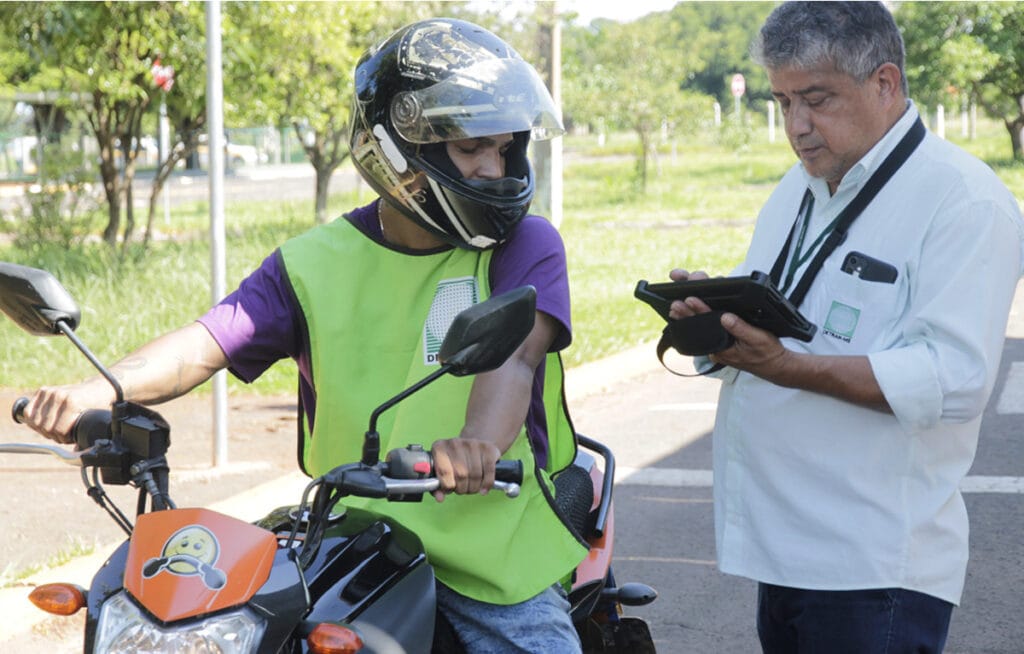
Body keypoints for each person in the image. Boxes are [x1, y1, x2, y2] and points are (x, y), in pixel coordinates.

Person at [20, 18, 587, 653]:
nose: (494, 169)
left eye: (504, 149)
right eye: (470, 149)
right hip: (348, 532)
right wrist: (101, 387)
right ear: (399, 150)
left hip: (489, 553)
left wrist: (478, 445)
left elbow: (512, 359)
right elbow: (209, 340)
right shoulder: (311, 262)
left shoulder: (524, 245)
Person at [667, 3, 1024, 652]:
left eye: (817, 99)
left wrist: (786, 366)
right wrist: (715, 326)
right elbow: (774, 322)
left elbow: (954, 381)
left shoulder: (963, 201)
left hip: (874, 565)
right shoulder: (798, 188)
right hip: (782, 552)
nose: (797, 128)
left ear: (885, 83)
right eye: (782, 103)